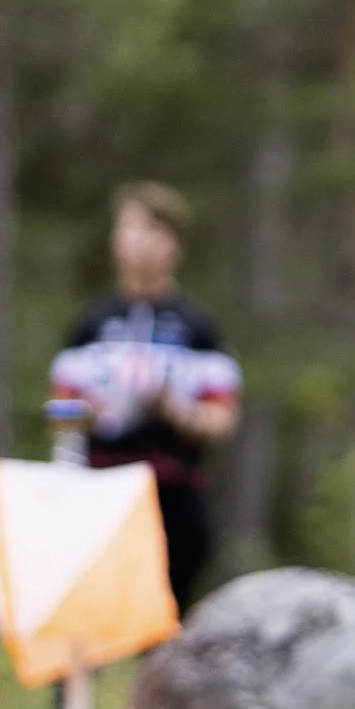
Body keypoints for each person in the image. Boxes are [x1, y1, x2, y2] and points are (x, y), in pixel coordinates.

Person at [52, 182, 242, 609]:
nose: (139, 241)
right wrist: (91, 411)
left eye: (152, 230)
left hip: (172, 494)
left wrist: (172, 408)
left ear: (174, 244)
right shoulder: (92, 323)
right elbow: (58, 413)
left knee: (166, 620)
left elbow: (223, 418)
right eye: (129, 229)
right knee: (88, 614)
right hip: (100, 491)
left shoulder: (197, 327)